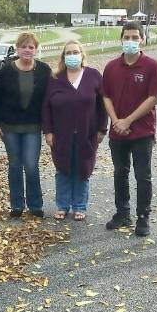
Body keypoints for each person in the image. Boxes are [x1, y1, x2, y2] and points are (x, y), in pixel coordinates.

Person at [102, 21, 157, 236]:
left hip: (142, 132)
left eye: (134, 37)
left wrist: (127, 121)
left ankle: (143, 217)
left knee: (142, 175)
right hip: (117, 132)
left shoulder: (152, 66)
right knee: (120, 173)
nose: (130, 41)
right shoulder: (111, 67)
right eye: (126, 37)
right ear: (121, 39)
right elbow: (106, 96)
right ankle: (123, 213)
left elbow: (153, 97)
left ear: (142, 39)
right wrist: (116, 121)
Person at [42, 41, 107, 221]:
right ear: (63, 57)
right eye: (68, 53)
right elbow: (46, 106)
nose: (72, 55)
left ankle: (80, 205)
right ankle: (62, 205)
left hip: (87, 133)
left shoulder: (93, 76)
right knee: (62, 168)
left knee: (82, 168)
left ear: (82, 55)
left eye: (75, 52)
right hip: (61, 133)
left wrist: (102, 128)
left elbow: (103, 104)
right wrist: (48, 131)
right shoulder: (55, 79)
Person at [0, 32, 51, 218]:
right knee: (15, 165)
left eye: (31, 47)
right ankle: (17, 205)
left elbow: (50, 99)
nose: (27, 50)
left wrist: (49, 124)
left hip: (33, 126)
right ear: (17, 49)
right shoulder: (6, 71)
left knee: (31, 166)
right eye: (23, 46)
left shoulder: (44, 70)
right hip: (10, 127)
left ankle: (35, 205)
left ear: (36, 50)